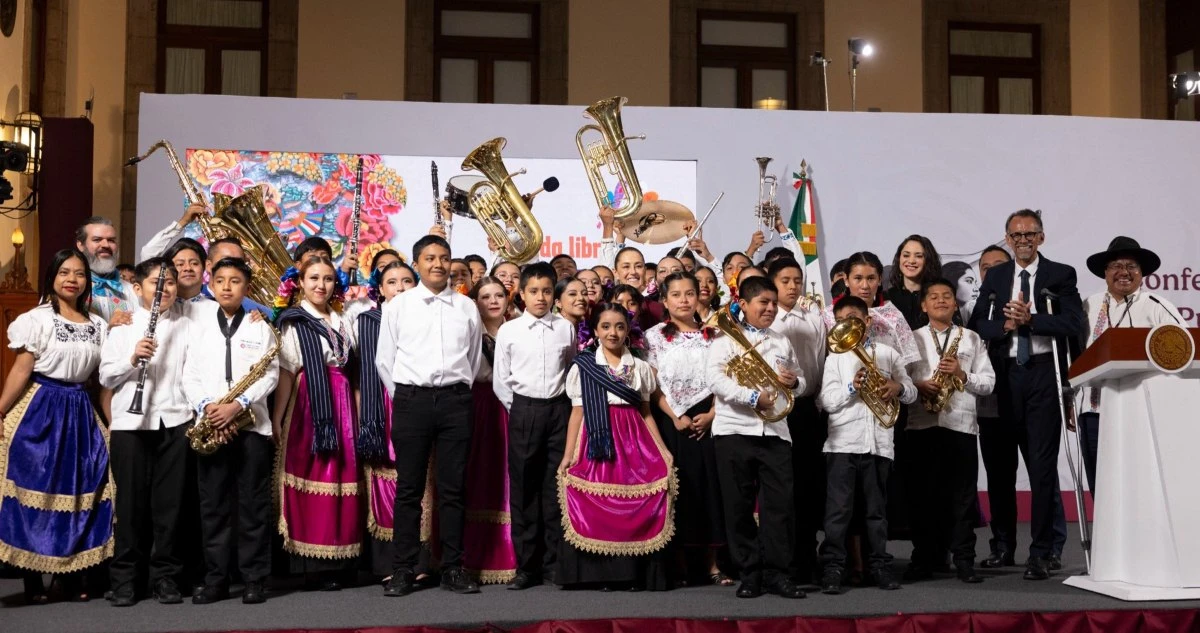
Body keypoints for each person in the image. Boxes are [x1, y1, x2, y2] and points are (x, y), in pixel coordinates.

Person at [969, 209, 1085, 581]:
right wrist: (1006, 324)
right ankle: (1003, 546)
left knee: (1041, 466)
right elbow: (976, 325)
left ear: (1041, 237)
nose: (1023, 240)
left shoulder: (1060, 274)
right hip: (1002, 375)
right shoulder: (997, 276)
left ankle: (1043, 552)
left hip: (1042, 374)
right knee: (999, 466)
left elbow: (1073, 322)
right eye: (1016, 235)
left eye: (1030, 234)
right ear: (1007, 239)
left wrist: (1031, 319)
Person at [0, 249, 112, 603]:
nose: (72, 280)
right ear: (52, 277)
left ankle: (70, 577)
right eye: (64, 272)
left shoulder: (98, 325)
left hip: (80, 409)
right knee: (35, 488)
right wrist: (0, 411)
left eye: (79, 274)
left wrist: (111, 424)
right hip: (41, 407)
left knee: (79, 491)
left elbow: (102, 382)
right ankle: (32, 580)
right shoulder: (36, 320)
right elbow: (21, 370)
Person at [376, 235, 482, 597]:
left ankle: (452, 567)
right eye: (430, 258)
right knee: (409, 488)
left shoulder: (466, 307)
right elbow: (384, 360)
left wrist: (454, 392)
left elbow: (473, 358)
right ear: (417, 263)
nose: (438, 264)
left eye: (444, 258)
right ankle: (403, 569)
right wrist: (407, 398)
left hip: (455, 401)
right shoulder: (399, 306)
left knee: (453, 488)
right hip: (412, 400)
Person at [180, 257, 280, 605]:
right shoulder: (198, 327)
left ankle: (254, 579)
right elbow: (189, 375)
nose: (226, 286)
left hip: (251, 425)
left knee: (253, 505)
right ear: (211, 284)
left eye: (235, 281)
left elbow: (270, 374)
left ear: (246, 288)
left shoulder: (261, 327)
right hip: (211, 424)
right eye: (220, 280)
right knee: (213, 507)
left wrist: (237, 406)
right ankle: (216, 579)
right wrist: (209, 407)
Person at [557, 302, 675, 591]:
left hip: (634, 438)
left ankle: (634, 574)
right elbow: (577, 413)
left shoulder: (640, 367)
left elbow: (646, 412)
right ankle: (602, 574)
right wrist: (568, 454)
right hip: (597, 438)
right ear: (596, 331)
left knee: (637, 499)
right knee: (597, 502)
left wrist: (663, 449)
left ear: (628, 331)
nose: (613, 332)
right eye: (606, 326)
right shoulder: (584, 366)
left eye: (620, 326)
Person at [706, 276, 806, 599]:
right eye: (764, 302)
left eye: (774, 303)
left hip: (775, 433)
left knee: (780, 508)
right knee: (738, 506)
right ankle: (749, 574)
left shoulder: (782, 341)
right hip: (734, 431)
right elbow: (714, 380)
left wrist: (794, 383)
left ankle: (779, 574)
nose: (771, 308)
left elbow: (801, 380)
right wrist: (751, 397)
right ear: (744, 305)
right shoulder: (724, 340)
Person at [98, 257, 190, 607]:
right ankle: (125, 580)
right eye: (156, 282)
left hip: (175, 421)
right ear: (137, 288)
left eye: (170, 283)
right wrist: (132, 358)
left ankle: (165, 577)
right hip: (131, 425)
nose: (164, 289)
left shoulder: (187, 324)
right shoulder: (123, 327)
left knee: (170, 507)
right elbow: (106, 376)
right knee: (130, 505)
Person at [271, 254, 362, 590]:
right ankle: (310, 564)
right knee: (311, 469)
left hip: (343, 403)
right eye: (313, 278)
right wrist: (277, 417)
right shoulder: (293, 321)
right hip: (309, 402)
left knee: (341, 474)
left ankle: (340, 561)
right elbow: (286, 372)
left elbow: (353, 371)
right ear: (300, 283)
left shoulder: (342, 319)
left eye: (327, 279)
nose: (321, 285)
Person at [818, 295, 917, 595]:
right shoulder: (835, 359)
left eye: (854, 319)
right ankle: (834, 568)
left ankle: (880, 566)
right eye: (841, 320)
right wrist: (852, 387)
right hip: (842, 445)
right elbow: (826, 401)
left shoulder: (888, 354)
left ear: (868, 321)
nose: (848, 325)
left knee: (877, 513)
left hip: (879, 445)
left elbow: (911, 391)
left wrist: (898, 387)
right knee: (838, 512)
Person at [1077, 236, 1183, 493]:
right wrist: (1072, 399)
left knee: (1139, 483)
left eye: (1131, 266)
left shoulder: (1157, 306)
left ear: (1142, 272)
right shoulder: (1089, 305)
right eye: (1116, 265)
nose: (1123, 272)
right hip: (1093, 411)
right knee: (1099, 484)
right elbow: (1076, 357)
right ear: (1105, 273)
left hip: (1140, 412)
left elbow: (1184, 351)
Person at [905, 279, 995, 584]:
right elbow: (899, 380)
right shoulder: (911, 339)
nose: (941, 300)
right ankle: (924, 559)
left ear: (955, 304)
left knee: (962, 498)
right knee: (922, 497)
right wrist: (918, 385)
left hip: (960, 426)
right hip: (922, 425)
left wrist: (961, 374)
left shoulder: (971, 338)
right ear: (924, 305)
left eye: (947, 296)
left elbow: (989, 383)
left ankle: (965, 560)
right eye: (933, 296)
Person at [492, 263, 575, 589]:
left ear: (554, 294)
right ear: (521, 294)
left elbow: (569, 369)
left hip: (559, 411)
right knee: (525, 488)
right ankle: (526, 566)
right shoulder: (509, 330)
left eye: (547, 291)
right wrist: (521, 410)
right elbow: (501, 380)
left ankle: (553, 563)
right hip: (523, 410)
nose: (541, 297)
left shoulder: (565, 328)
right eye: (534, 291)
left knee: (554, 487)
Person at [645, 272, 728, 587]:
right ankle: (679, 565)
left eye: (689, 293)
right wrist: (675, 415)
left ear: (699, 297)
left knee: (711, 489)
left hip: (710, 419)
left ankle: (713, 564)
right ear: (664, 301)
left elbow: (726, 377)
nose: (683, 300)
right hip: (671, 420)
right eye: (676, 295)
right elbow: (652, 384)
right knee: (679, 489)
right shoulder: (653, 337)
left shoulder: (716, 335)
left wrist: (712, 414)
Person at [355, 260, 430, 581]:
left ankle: (422, 562)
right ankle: (389, 564)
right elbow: (357, 373)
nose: (399, 287)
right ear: (380, 288)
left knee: (419, 482)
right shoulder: (366, 321)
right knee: (385, 480)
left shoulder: (427, 317)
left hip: (418, 402)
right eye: (392, 282)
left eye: (406, 281)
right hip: (380, 406)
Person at [766, 258, 827, 584]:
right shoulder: (764, 320)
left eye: (797, 281)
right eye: (785, 281)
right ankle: (780, 560)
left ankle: (806, 556)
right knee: (779, 487)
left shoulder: (814, 318)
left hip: (804, 410)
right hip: (771, 411)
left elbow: (819, 363)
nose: (792, 287)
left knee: (807, 486)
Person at [460, 277, 519, 585]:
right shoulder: (470, 333)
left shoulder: (518, 330)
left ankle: (512, 552)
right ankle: (474, 555)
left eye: (499, 295)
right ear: (475, 302)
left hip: (511, 405)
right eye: (486, 296)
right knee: (479, 473)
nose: (493, 301)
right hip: (479, 405)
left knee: (509, 473)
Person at [885, 235, 952, 330]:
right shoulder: (886, 297)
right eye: (906, 255)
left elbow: (955, 332)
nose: (911, 261)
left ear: (928, 261)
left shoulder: (940, 298)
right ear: (899, 258)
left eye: (919, 256)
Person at [76, 216, 135, 323]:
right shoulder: (70, 288)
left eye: (111, 240)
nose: (106, 245)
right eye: (97, 240)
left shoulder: (132, 291)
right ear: (80, 245)